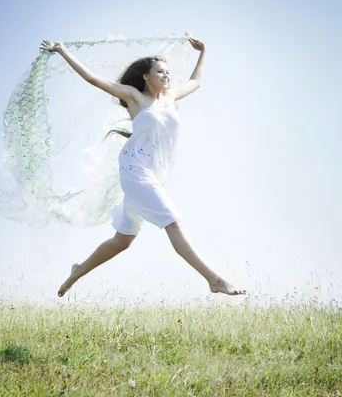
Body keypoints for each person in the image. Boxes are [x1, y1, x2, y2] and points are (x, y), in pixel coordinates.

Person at [40, 32, 246, 297]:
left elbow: (195, 81)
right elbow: (92, 79)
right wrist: (63, 51)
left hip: (154, 175)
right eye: (160, 71)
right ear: (146, 77)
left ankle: (77, 271)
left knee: (122, 241)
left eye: (168, 73)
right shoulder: (134, 97)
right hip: (136, 172)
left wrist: (203, 51)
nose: (166, 76)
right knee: (173, 221)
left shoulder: (170, 98)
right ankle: (214, 279)